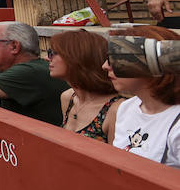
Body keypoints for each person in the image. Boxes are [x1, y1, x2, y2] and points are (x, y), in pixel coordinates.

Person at [107, 26, 180, 168]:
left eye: (113, 59)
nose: (105, 66)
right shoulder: (126, 107)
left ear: (154, 63)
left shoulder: (177, 125)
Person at [49, 30, 120, 144]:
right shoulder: (68, 97)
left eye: (53, 53)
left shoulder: (114, 109)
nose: (48, 58)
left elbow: (117, 154)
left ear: (76, 57)